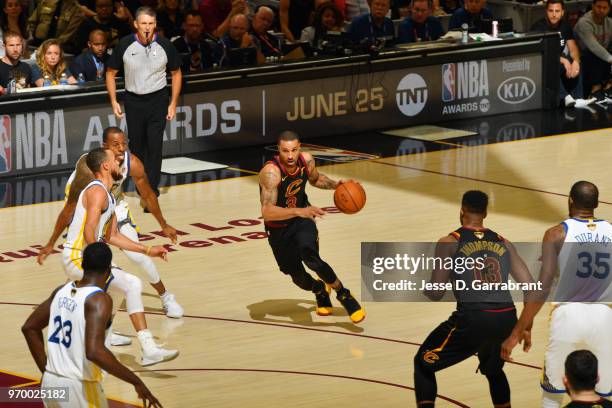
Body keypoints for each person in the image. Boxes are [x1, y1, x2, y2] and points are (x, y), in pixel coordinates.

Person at [40, 147, 179, 366]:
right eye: (115, 160)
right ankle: (147, 349)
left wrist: (147, 250)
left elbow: (113, 235)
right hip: (78, 256)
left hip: (87, 255)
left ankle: (102, 339)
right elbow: (89, 229)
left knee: (119, 292)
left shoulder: (109, 195)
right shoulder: (96, 191)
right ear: (105, 165)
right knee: (132, 284)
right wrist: (98, 261)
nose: (119, 163)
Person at [37, 127, 184, 319]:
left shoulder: (132, 163)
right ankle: (68, 308)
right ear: (104, 147)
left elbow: (147, 194)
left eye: (124, 144)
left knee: (137, 257)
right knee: (87, 265)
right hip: (87, 205)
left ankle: (166, 297)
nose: (121, 148)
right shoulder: (88, 168)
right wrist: (51, 242)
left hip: (114, 205)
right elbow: (70, 207)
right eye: (116, 145)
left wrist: (163, 224)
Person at [414, 190, 535, 408]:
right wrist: (524, 327)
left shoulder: (449, 242)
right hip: (507, 317)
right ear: (486, 213)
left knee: (423, 364)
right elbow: (531, 288)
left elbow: (436, 292)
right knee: (493, 370)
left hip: (474, 318)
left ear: (461, 211)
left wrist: (423, 285)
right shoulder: (504, 242)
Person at [502, 181, 612, 408]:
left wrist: (519, 329)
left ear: (570, 200)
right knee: (604, 391)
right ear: (596, 203)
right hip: (604, 316)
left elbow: (542, 288)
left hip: (568, 316)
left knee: (553, 390)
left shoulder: (556, 234)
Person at [22, 243, 162, 408]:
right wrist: (136, 381)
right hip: (78, 387)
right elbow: (94, 351)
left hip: (50, 384)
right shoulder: (99, 300)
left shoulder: (61, 291)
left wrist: (47, 372)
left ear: (82, 264)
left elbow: (29, 328)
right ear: (109, 270)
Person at [258, 131, 366, 324]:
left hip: (302, 221)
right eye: (285, 151)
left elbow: (316, 179)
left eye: (294, 150)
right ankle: (319, 290)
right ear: (278, 150)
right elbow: (267, 212)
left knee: (310, 255)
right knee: (295, 275)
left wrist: (336, 185)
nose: (290, 156)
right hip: (278, 228)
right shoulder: (271, 173)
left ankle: (344, 294)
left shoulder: (306, 161)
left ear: (299, 147)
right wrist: (298, 211)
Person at [106, 6, 182, 197]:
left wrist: (173, 103)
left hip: (158, 100)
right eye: (143, 24)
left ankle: (151, 190)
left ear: (155, 24)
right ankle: (140, 184)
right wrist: (114, 100)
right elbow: (110, 73)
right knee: (137, 146)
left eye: (150, 23)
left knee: (155, 145)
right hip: (133, 101)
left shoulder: (165, 45)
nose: (147, 27)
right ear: (135, 24)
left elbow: (176, 72)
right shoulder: (124, 45)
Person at [531, 0, 595, 108]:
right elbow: (541, 54)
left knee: (578, 63)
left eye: (557, 11)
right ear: (546, 11)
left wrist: (575, 61)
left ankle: (578, 98)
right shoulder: (538, 28)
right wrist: (564, 60)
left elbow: (573, 48)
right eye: (551, 11)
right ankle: (565, 97)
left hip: (559, 60)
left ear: (562, 12)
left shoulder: (565, 26)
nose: (554, 14)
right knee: (554, 64)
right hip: (541, 63)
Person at [574, 0, 612, 100]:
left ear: (609, 9)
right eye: (599, 7)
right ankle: (595, 89)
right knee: (595, 53)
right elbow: (593, 46)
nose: (601, 10)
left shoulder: (610, 22)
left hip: (602, 57)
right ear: (593, 6)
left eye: (605, 8)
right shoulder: (584, 22)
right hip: (583, 57)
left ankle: (609, 86)